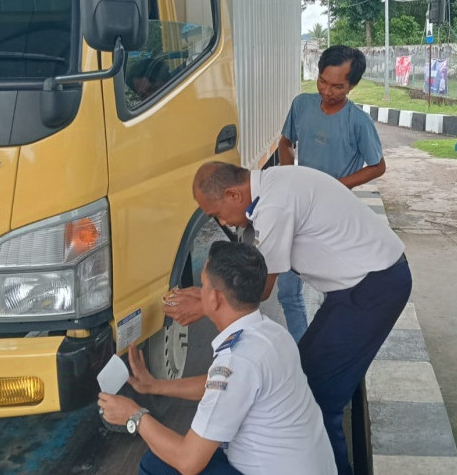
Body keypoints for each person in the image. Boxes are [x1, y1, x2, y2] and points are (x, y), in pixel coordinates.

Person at [166, 162, 412, 474]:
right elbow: (237, 280)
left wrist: (204, 302)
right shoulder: (273, 185)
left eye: (216, 213)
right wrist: (204, 292)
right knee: (309, 382)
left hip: (373, 287)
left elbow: (255, 291)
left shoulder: (274, 206)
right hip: (359, 285)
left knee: (321, 399)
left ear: (232, 193)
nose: (220, 221)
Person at [99, 241, 336, 475]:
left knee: (157, 464)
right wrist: (156, 386)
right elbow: (221, 385)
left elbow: (188, 461)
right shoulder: (273, 334)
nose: (197, 293)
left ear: (214, 298)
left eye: (201, 286)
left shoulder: (238, 360)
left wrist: (134, 415)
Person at [276, 45, 386, 342]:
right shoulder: (302, 105)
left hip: (334, 217)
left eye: (338, 86)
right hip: (298, 209)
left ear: (352, 85)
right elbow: (285, 142)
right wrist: (290, 174)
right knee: (287, 289)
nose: (327, 90)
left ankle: (326, 347)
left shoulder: (358, 122)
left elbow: (377, 166)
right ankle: (302, 347)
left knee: (333, 289)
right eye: (322, 81)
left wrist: (338, 186)